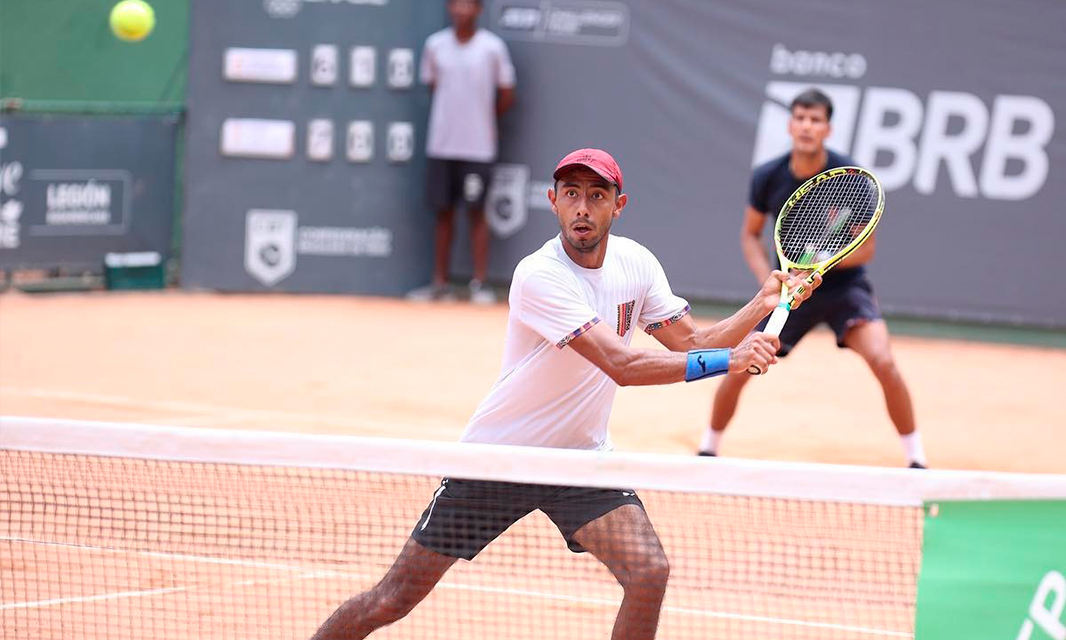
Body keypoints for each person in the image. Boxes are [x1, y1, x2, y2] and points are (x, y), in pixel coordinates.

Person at [309, 148, 821, 640]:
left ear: (618, 206)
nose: (582, 206)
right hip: (499, 460)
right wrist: (731, 361)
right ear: (552, 200)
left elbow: (690, 342)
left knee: (648, 571)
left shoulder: (636, 264)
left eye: (597, 195)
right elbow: (621, 365)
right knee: (392, 600)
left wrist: (762, 302)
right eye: (571, 193)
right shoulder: (540, 275)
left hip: (578, 461)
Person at [696, 88, 928, 469]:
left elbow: (865, 250)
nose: (807, 126)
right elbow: (749, 234)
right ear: (790, 124)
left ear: (828, 129)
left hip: (843, 289)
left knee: (883, 361)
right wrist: (770, 281)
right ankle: (707, 448)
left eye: (815, 119)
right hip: (789, 291)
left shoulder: (850, 177)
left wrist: (819, 266)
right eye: (800, 118)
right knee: (742, 364)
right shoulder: (768, 176)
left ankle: (917, 459)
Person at [412, 0, 516, 303]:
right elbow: (432, 85)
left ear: (479, 10)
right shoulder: (435, 46)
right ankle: (439, 283)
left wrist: (483, 120)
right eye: (455, 4)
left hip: (478, 148)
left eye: (467, 4)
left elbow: (507, 92)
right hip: (441, 145)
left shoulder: (492, 48)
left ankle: (478, 285)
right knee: (443, 213)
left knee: (476, 213)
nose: (460, 10)